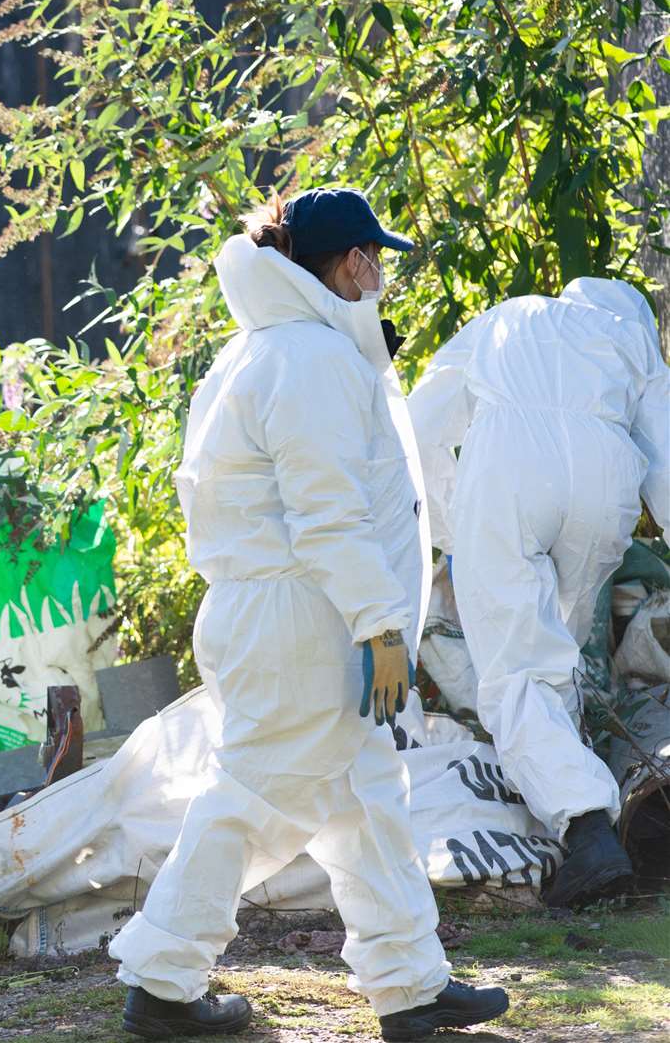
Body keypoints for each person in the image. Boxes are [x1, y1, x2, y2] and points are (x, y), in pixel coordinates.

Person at [106, 189, 509, 1041]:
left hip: (287, 612)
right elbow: (328, 516)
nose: (383, 276)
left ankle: (410, 984)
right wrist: (380, 623)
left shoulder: (264, 350)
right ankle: (164, 979)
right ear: (351, 263)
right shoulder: (312, 360)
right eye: (377, 259)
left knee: (366, 803)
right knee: (252, 800)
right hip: (306, 618)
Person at [407, 278, 668, 907]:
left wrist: (449, 523)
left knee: (518, 671)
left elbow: (420, 422)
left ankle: (585, 833)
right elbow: (664, 453)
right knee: (557, 659)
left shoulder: (514, 313)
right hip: (605, 482)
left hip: (508, 476)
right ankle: (582, 817)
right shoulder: (632, 340)